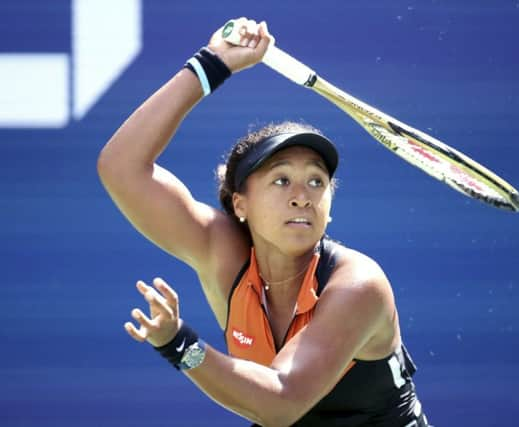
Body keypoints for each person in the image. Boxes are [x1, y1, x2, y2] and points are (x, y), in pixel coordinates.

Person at [97, 17, 431, 427]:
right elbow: (121, 167)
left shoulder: (358, 284)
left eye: (316, 181)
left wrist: (179, 344)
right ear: (240, 204)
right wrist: (212, 63)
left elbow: (282, 403)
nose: (301, 195)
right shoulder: (223, 254)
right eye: (280, 179)